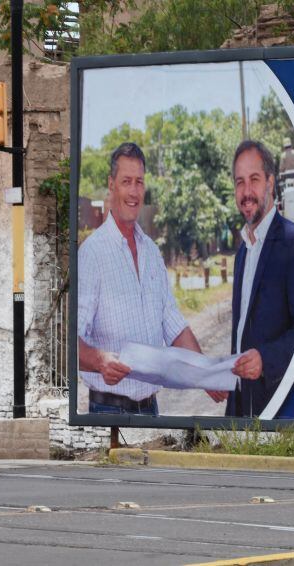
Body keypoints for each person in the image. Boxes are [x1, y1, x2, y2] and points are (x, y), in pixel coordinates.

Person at [78, 142, 227, 415]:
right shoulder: (91, 254)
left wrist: (207, 374)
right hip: (107, 411)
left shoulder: (152, 252)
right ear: (111, 184)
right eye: (126, 182)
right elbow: (72, 339)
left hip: (151, 411)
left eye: (139, 182)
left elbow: (174, 326)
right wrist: (100, 361)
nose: (134, 191)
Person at [227, 140, 294, 418]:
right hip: (242, 407)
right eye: (240, 182)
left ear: (270, 183)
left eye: (254, 179)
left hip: (279, 410)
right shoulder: (243, 251)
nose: (247, 191)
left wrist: (266, 360)